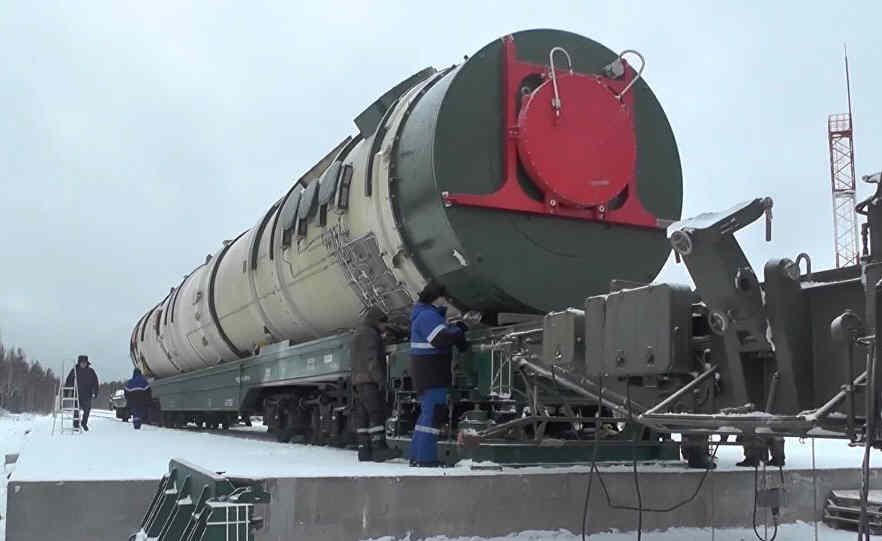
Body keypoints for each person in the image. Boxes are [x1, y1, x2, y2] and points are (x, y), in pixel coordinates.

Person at [408, 280, 470, 467]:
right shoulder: (428, 315)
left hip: (427, 372)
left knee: (426, 416)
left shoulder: (425, 314)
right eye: (445, 297)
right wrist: (460, 329)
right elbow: (440, 339)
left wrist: (455, 331)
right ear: (437, 297)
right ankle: (426, 459)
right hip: (432, 372)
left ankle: (417, 456)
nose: (447, 301)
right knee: (433, 415)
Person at [352, 306, 400, 462]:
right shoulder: (370, 334)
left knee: (363, 416)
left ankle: (364, 450)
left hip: (359, 380)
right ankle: (379, 448)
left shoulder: (360, 332)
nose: (385, 327)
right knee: (376, 413)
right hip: (369, 380)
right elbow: (371, 359)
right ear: (377, 321)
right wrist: (380, 379)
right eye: (384, 324)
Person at [65, 355, 99, 431]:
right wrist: (66, 392)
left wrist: (95, 392)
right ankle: (76, 425)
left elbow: (95, 382)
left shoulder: (91, 371)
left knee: (87, 410)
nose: (83, 364)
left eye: (85, 363)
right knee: (76, 411)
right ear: (79, 363)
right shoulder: (75, 370)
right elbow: (69, 381)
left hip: (87, 395)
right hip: (76, 394)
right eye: (82, 362)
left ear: (87, 363)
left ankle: (84, 423)